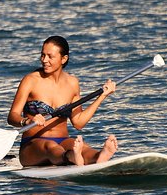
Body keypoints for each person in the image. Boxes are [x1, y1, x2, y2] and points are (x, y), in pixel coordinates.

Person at [7, 36, 118, 167]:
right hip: (32, 146)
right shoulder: (31, 80)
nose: (44, 60)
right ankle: (71, 157)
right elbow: (12, 116)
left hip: (62, 140)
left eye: (50, 56)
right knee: (51, 146)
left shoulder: (72, 83)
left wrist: (102, 96)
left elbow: (78, 123)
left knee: (80, 147)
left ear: (63, 59)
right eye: (42, 55)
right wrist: (27, 121)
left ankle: (99, 156)